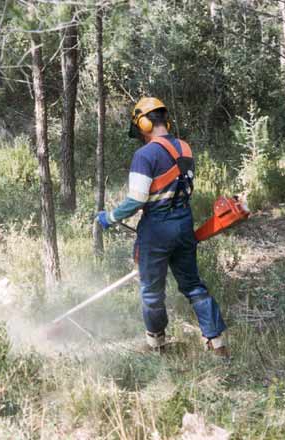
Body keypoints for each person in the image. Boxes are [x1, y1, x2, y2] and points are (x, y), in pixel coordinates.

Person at [95, 97, 228, 357]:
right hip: (184, 224)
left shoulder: (144, 155)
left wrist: (109, 218)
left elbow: (136, 199)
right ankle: (218, 344)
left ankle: (157, 346)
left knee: (151, 291)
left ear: (143, 124)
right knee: (193, 285)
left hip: (156, 230)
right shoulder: (185, 148)